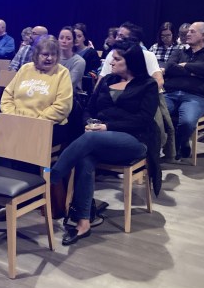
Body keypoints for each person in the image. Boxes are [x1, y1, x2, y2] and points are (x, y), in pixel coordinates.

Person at [50, 43, 161, 245]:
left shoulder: (148, 85)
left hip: (134, 141)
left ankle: (53, 176)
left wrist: (106, 126)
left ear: (132, 62)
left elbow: (143, 120)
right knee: (85, 159)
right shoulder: (107, 80)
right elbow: (88, 108)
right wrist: (88, 123)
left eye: (117, 59)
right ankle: (83, 223)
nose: (111, 62)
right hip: (99, 139)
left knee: (91, 139)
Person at [164, 22, 204, 160]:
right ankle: (170, 145)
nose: (187, 34)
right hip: (171, 94)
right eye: (188, 31)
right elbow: (170, 67)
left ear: (203, 35)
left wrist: (186, 66)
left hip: (196, 96)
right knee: (153, 113)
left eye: (192, 31)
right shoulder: (179, 52)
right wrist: (194, 72)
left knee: (187, 122)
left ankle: (178, 144)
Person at [1, 36, 73, 145]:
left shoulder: (62, 73)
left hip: (47, 125)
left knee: (23, 143)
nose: (49, 58)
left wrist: (35, 122)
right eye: (45, 54)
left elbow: (63, 106)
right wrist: (12, 116)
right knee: (4, 143)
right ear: (36, 54)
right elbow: (8, 96)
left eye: (53, 54)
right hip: (16, 122)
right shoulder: (25, 68)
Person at [99, 22, 164, 89]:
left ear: (133, 40)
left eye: (121, 36)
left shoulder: (148, 55)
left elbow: (159, 81)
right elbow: (100, 81)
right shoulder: (112, 54)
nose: (116, 39)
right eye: (117, 35)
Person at [58, 26, 86, 92]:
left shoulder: (79, 61)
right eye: (61, 38)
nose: (64, 41)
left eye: (68, 39)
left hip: (69, 95)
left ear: (74, 42)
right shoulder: (53, 58)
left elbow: (69, 85)